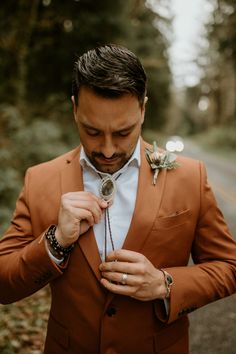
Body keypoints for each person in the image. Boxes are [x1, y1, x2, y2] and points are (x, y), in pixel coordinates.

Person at [0, 44, 236, 354]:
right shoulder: (40, 179)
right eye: (92, 131)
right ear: (74, 109)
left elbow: (228, 266)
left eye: (123, 132)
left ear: (143, 109)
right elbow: (4, 283)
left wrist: (163, 284)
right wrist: (56, 241)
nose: (108, 150)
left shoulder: (190, 176)